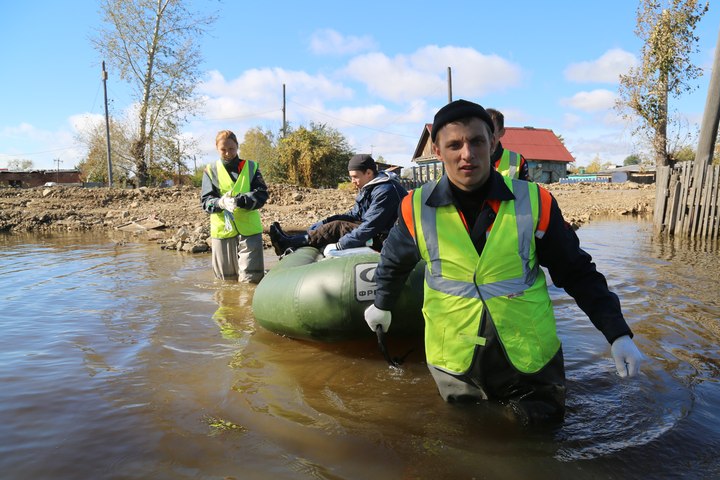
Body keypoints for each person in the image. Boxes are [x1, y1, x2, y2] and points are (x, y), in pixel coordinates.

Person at [363, 99, 644, 426]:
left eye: (477, 141)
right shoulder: (416, 208)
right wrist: (381, 302)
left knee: (542, 439)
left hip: (530, 358)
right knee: (466, 445)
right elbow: (394, 262)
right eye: (454, 145)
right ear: (438, 151)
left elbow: (577, 271)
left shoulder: (535, 202)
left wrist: (616, 332)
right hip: (454, 359)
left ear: (493, 144)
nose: (467, 154)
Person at [268, 154, 408, 256]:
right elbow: (354, 215)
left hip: (386, 238)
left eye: (355, 177)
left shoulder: (385, 191)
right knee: (334, 222)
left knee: (337, 227)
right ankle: (293, 239)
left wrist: (341, 245)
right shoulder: (368, 187)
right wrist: (325, 221)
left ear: (369, 173)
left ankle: (287, 243)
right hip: (376, 230)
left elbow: (369, 226)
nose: (352, 181)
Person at [200, 130, 268, 283]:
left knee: (252, 280)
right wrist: (219, 203)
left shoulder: (251, 167)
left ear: (237, 147)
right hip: (223, 229)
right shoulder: (210, 171)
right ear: (217, 149)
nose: (227, 153)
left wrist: (240, 200)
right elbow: (205, 202)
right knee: (226, 282)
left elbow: (262, 194)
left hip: (249, 229)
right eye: (223, 149)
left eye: (231, 149)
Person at [486, 108, 529, 180]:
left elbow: (524, 189)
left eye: (490, 129)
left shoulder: (517, 161)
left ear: (502, 132)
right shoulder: (468, 157)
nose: (485, 134)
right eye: (482, 129)